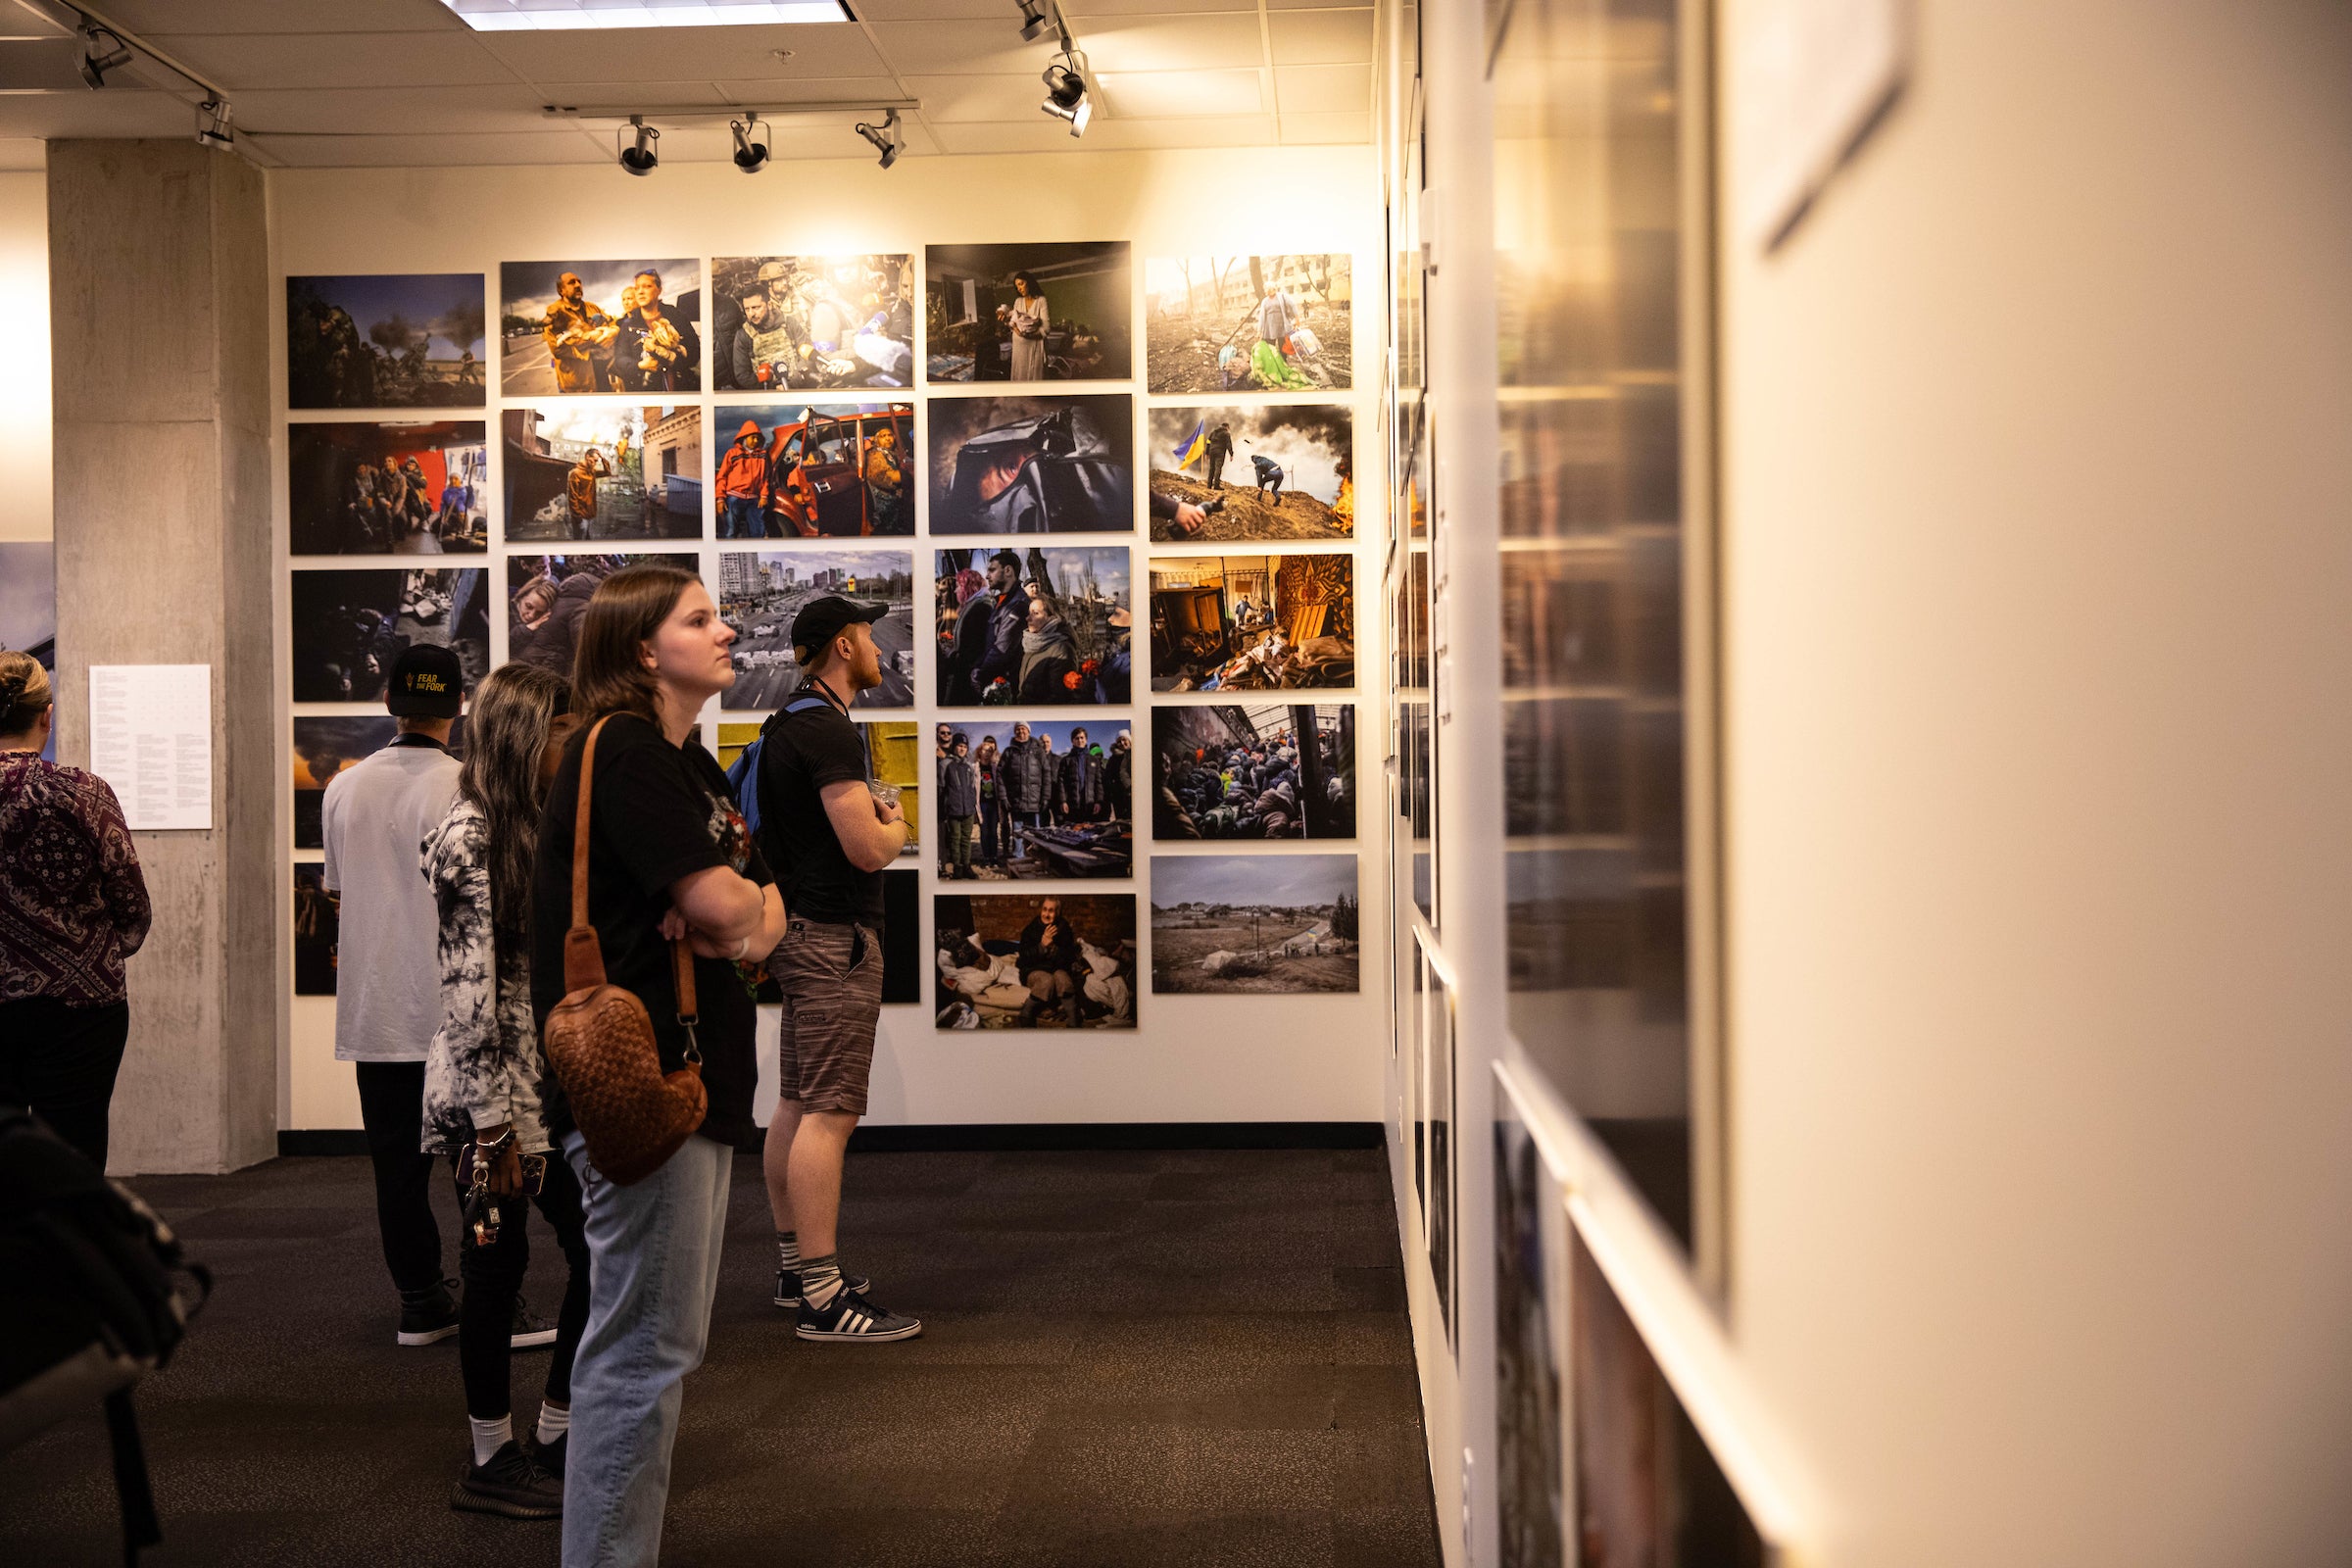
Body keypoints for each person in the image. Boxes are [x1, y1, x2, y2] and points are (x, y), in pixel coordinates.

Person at [530, 564, 788, 1564]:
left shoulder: (694, 768)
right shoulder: (625, 751)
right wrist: (730, 909)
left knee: (657, 1348)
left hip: (698, 1087)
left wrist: (738, 911)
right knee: (641, 1354)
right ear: (645, 649)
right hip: (647, 1093)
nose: (725, 633)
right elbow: (733, 911)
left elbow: (765, 916)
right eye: (700, 619)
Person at [326, 643, 552, 1350]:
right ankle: (496, 1300)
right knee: (480, 1168)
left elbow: (336, 890)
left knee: (396, 1169)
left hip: (374, 1009)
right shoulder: (469, 789)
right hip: (453, 1014)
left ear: (388, 701)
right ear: (459, 706)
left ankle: (420, 1302)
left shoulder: (343, 787)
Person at [421, 662, 587, 1520]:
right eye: (563, 729)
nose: (575, 742)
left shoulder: (527, 827)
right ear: (528, 735)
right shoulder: (471, 837)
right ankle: (491, 1458)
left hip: (538, 1097)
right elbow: (466, 996)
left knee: (591, 1252)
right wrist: (491, 1131)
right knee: (494, 1270)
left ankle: (554, 1431)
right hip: (489, 1107)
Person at [749, 596, 922, 1344]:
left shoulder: (787, 722)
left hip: (800, 930)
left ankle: (797, 1270)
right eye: (870, 634)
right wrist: (899, 822)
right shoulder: (826, 729)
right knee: (831, 1111)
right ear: (845, 646)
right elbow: (868, 848)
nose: (881, 646)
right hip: (833, 939)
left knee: (797, 1102)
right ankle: (823, 1297)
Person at [0, 653, 150, 1171]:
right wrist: (91, 950)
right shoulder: (85, 792)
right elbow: (132, 907)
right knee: (74, 1159)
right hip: (82, 1005)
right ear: (47, 715)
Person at [542, 271, 617, 394]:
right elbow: (558, 349)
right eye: (571, 283)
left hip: (602, 378)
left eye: (579, 282)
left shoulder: (592, 307)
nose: (577, 285)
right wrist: (592, 339)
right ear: (561, 290)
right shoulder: (555, 312)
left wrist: (613, 333)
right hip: (577, 386)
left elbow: (612, 323)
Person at [1015, 897, 1082, 1028]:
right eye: (1044, 909)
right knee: (1046, 981)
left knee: (1063, 979)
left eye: (1051, 911)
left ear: (1057, 912)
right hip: (1033, 969)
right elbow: (1024, 957)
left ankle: (1074, 1021)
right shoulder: (1031, 929)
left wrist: (1053, 947)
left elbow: (1069, 957)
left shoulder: (1064, 928)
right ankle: (1025, 1016)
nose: (1046, 914)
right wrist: (1042, 946)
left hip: (1056, 968)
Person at [1000, 720, 1051, 864]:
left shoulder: (1038, 751)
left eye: (1024, 729)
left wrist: (1045, 797)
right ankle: (1019, 860)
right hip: (1015, 802)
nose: (1021, 732)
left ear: (1028, 732)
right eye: (1018, 730)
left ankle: (1035, 859)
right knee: (1018, 834)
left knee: (1035, 834)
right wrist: (1004, 797)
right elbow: (1000, 774)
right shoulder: (1009, 752)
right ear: (1015, 732)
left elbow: (1046, 773)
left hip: (1035, 802)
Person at [1017, 595, 1079, 703]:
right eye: (1029, 613)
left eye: (1035, 613)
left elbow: (1059, 698)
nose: (1028, 618)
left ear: (1052, 619)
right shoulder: (1031, 643)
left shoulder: (1061, 650)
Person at [715, 421, 770, 542]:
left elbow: (766, 477)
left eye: (758, 438)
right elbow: (721, 477)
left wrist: (764, 495)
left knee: (758, 531)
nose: (755, 441)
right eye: (753, 437)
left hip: (754, 498)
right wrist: (720, 498)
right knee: (730, 530)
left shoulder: (763, 455)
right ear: (744, 437)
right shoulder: (732, 454)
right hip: (734, 496)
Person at [938, 732, 979, 880]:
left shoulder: (969, 766)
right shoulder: (945, 764)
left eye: (964, 746)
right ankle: (957, 867)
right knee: (955, 839)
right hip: (953, 809)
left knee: (966, 839)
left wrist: (973, 805)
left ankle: (967, 865)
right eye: (959, 746)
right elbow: (941, 788)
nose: (962, 749)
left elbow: (973, 787)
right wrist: (944, 808)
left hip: (968, 809)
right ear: (954, 747)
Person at [863, 423, 909, 535]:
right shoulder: (876, 454)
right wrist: (906, 476)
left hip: (895, 502)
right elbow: (882, 476)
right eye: (883, 436)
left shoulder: (892, 453)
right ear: (877, 440)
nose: (887, 438)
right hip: (884, 504)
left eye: (890, 435)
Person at [1056, 725, 1106, 824]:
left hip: (1090, 804)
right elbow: (1061, 782)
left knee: (1090, 834)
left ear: (1086, 740)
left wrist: (1098, 802)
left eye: (1082, 737)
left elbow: (1098, 783)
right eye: (1077, 738)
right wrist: (1063, 801)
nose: (1080, 740)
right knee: (1073, 834)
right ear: (1072, 741)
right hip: (1072, 805)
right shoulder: (1066, 760)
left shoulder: (1094, 760)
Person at [1007, 270, 1049, 381]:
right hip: (1019, 348)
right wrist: (1009, 323)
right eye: (1017, 286)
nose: (1019, 288)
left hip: (1033, 347)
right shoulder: (1018, 301)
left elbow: (1046, 329)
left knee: (1032, 377)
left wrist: (1026, 335)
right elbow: (1013, 322)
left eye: (1021, 284)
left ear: (1029, 282)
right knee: (1020, 374)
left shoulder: (1041, 300)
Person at [565, 449, 611, 541]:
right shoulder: (576, 473)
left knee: (587, 542)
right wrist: (577, 516)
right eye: (593, 460)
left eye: (596, 461)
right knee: (579, 543)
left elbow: (607, 472)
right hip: (580, 515)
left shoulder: (592, 472)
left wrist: (602, 459)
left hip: (590, 514)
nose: (594, 463)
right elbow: (573, 497)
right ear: (587, 457)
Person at [974, 734, 1004, 869]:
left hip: (993, 804)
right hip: (982, 805)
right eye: (984, 750)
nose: (986, 753)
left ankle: (994, 857)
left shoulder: (995, 767)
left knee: (993, 831)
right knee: (984, 832)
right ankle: (986, 858)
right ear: (980, 752)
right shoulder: (975, 767)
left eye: (989, 751)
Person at [1105, 729, 1134, 822]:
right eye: (1119, 741)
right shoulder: (1113, 759)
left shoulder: (1138, 754)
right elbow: (1108, 778)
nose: (1122, 743)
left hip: (1135, 796)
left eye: (1124, 739)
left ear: (1129, 740)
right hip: (1119, 799)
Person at [1202, 422, 1234, 490]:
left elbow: (1208, 442)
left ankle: (1209, 485)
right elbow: (1228, 444)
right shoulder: (1226, 434)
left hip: (1212, 451)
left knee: (1211, 468)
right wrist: (1231, 454)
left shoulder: (1213, 432)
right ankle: (1216, 486)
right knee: (1218, 468)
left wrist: (1207, 453)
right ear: (1227, 427)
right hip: (1220, 452)